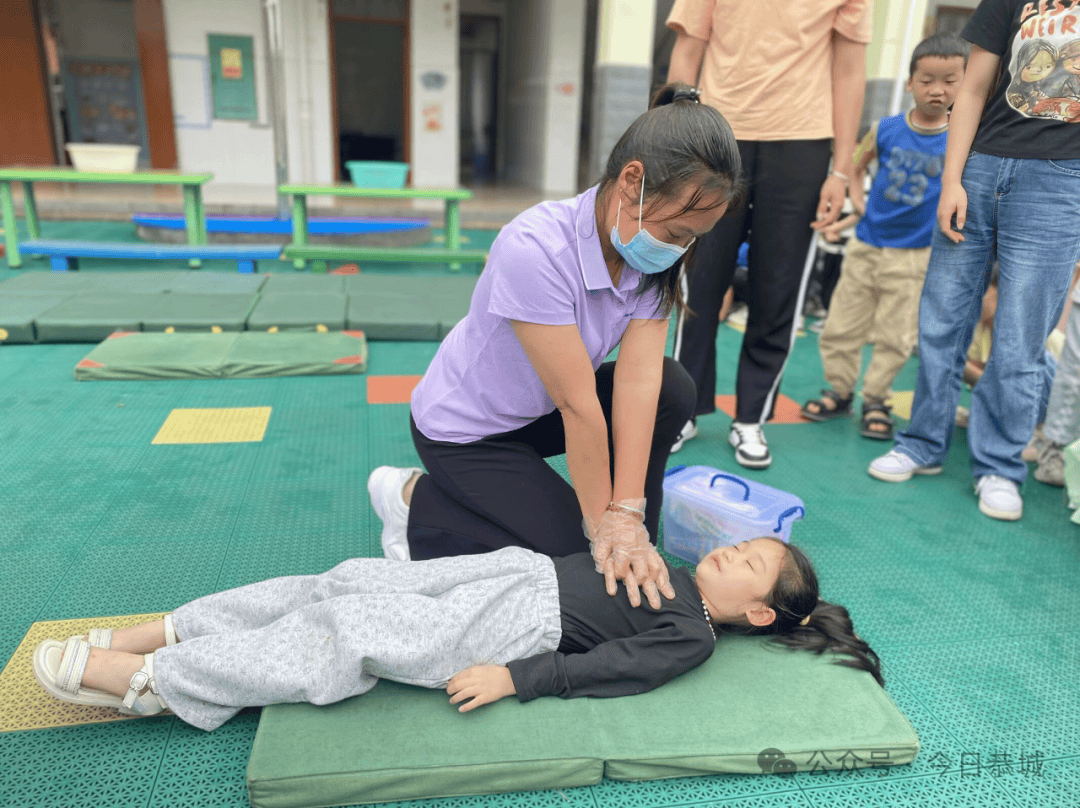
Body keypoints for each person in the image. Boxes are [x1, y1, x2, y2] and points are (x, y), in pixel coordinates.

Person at [369, 83, 743, 609]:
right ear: (631, 181)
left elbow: (639, 383)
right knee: (576, 564)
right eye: (678, 231)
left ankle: (631, 532)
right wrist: (600, 532)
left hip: (535, 415)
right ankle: (412, 501)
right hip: (468, 433)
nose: (680, 248)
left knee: (673, 389)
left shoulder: (653, 260)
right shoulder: (535, 248)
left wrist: (628, 515)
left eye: (693, 239)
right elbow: (579, 406)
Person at [32, 537, 882, 732]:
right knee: (345, 579)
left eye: (752, 565)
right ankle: (168, 630)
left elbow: (620, 667)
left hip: (521, 620)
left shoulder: (691, 631)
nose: (735, 551)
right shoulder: (674, 560)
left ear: (759, 613)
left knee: (352, 628)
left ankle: (161, 685)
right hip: (513, 569)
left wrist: (519, 677)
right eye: (746, 544)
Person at [868, 0, 1080, 521]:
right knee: (942, 318)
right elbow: (974, 88)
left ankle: (1000, 467)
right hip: (982, 166)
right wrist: (952, 180)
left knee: (1021, 336)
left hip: (1058, 180)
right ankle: (922, 443)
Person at [664, 0, 872, 468]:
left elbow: (848, 71)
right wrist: (679, 134)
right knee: (699, 281)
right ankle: (683, 409)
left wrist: (841, 170)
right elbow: (687, 51)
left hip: (804, 141)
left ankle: (752, 418)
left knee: (779, 287)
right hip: (717, 134)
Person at [802, 35, 969, 442]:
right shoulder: (886, 129)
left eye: (950, 80)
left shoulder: (963, 140)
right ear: (910, 82)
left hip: (914, 255)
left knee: (896, 336)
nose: (937, 89)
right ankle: (839, 391)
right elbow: (857, 167)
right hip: (865, 245)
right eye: (927, 79)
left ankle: (876, 399)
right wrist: (857, 202)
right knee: (841, 325)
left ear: (965, 85)